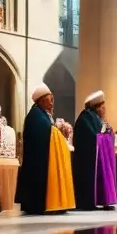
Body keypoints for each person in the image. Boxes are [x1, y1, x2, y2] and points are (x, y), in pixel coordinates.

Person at [15, 85, 75, 215]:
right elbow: (45, 131)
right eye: (49, 100)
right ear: (41, 101)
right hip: (37, 159)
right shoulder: (35, 115)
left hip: (43, 156)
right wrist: (56, 131)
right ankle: (38, 206)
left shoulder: (42, 114)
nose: (52, 103)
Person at [72, 91, 117, 211]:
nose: (104, 110)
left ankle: (103, 200)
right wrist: (104, 136)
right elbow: (93, 137)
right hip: (88, 159)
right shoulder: (85, 119)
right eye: (102, 108)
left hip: (98, 157)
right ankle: (89, 202)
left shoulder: (96, 118)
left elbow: (103, 133)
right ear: (96, 107)